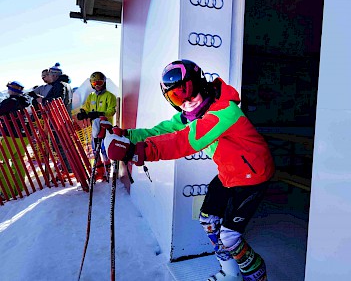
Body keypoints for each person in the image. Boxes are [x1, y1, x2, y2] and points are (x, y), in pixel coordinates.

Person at [94, 59, 275, 281]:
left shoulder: (224, 111)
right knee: (208, 220)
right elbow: (163, 130)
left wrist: (136, 151)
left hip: (252, 176)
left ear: (200, 82)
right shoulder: (193, 113)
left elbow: (185, 141)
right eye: (175, 97)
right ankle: (229, 272)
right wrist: (125, 135)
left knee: (229, 236)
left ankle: (257, 274)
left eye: (186, 90)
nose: (186, 101)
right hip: (229, 173)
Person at [77, 71, 117, 181]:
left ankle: (107, 171)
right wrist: (83, 112)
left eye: (99, 83)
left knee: (104, 149)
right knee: (95, 150)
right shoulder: (91, 96)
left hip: (105, 127)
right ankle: (99, 171)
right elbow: (86, 107)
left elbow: (111, 110)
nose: (97, 86)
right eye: (94, 84)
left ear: (104, 83)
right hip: (94, 127)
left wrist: (100, 113)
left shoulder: (110, 96)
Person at [40, 63, 74, 176]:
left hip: (59, 120)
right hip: (64, 118)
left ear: (54, 75)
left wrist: (43, 101)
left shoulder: (59, 85)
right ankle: (68, 167)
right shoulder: (65, 84)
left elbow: (58, 100)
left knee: (60, 145)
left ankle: (68, 169)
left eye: (49, 74)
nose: (48, 76)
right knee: (64, 145)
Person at [0, 81, 31, 198]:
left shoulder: (9, 102)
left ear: (12, 90)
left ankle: (7, 192)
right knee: (18, 161)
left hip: (11, 135)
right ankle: (19, 188)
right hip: (24, 135)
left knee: (2, 162)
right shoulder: (24, 100)